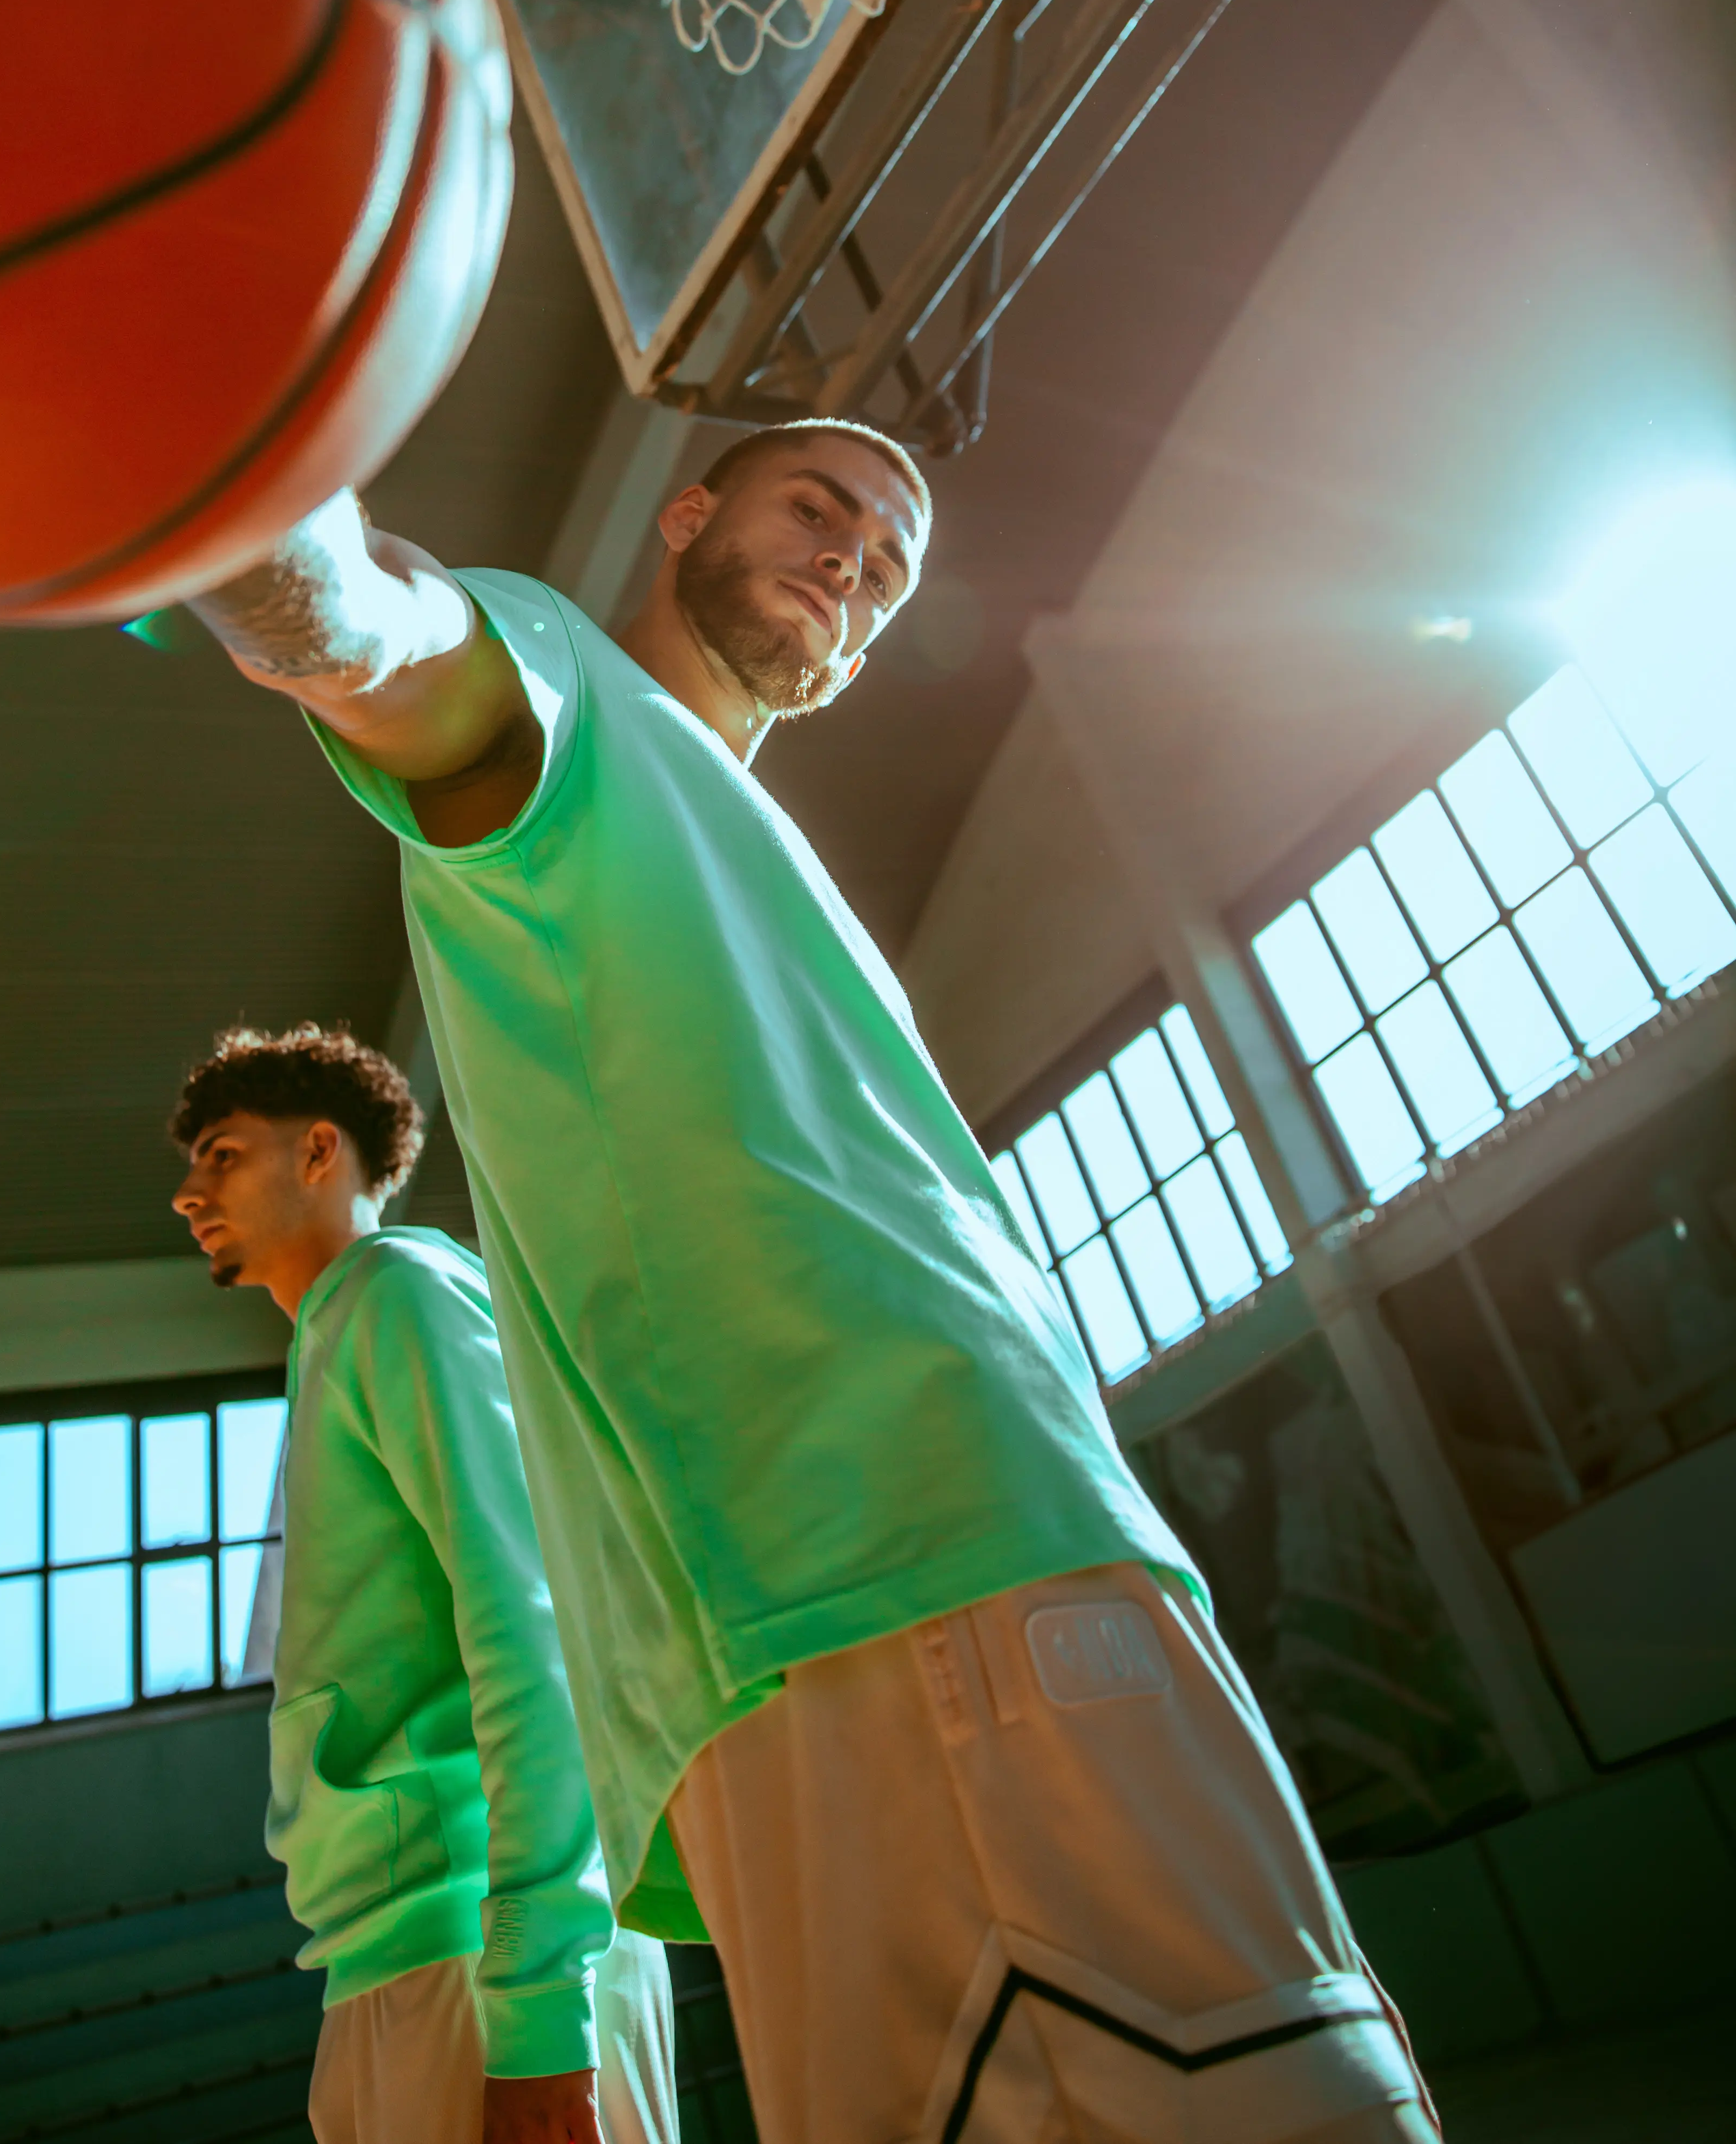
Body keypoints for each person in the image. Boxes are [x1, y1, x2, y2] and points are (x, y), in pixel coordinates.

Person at [187, 422, 1438, 2144]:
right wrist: (231, 483)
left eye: (893, 559)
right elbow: (376, 639)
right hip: (914, 1585)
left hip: (877, 1628)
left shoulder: (756, 859)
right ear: (689, 514)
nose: (858, 554)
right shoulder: (559, 690)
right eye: (821, 505)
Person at [167, 1021, 676, 2144]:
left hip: (474, 1949)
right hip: (407, 1949)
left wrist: (539, 1995)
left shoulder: (394, 1291)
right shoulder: (346, 1331)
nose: (187, 1190)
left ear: (317, 1152)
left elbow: (529, 1613)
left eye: (221, 1152)